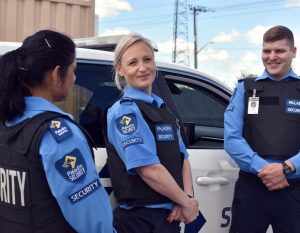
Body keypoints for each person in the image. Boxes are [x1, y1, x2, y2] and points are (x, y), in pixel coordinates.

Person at [0, 30, 116, 233]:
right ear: (55, 74)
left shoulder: (7, 123)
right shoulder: (58, 136)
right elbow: (93, 221)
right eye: (73, 70)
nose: (73, 78)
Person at [102, 33, 199, 233]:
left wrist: (186, 199)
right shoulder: (125, 111)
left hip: (169, 215)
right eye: (132, 62)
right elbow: (147, 169)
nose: (142, 68)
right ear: (120, 69)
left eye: (147, 59)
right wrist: (186, 203)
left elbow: (183, 159)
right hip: (139, 220)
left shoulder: (163, 109)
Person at [224, 25, 300, 233]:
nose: (272, 57)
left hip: (294, 190)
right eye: (267, 51)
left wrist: (286, 168)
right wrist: (265, 170)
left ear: (293, 52)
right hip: (252, 189)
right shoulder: (245, 89)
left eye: (279, 51)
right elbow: (232, 139)